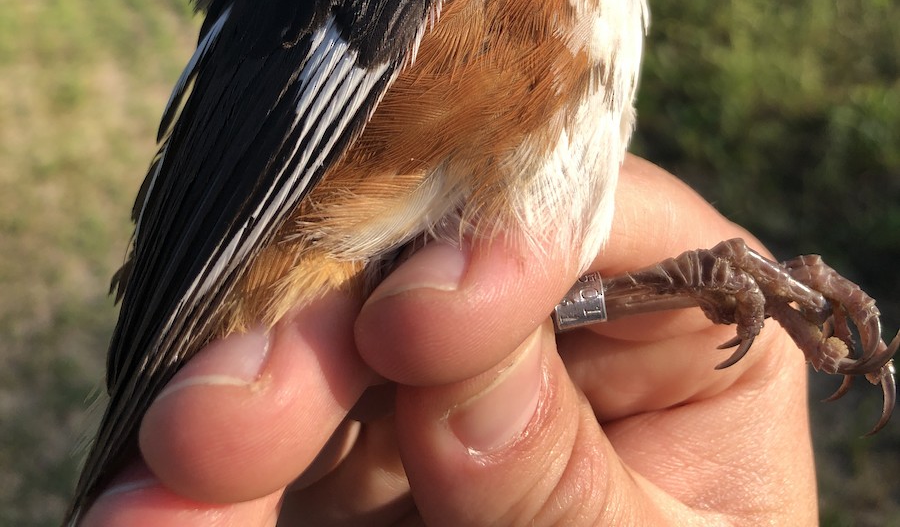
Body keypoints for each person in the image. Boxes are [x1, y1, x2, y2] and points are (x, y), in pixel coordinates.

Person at [78, 156, 818, 526]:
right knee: (455, 310)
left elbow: (542, 311)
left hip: (430, 316)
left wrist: (684, 282)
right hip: (338, 265)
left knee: (473, 306)